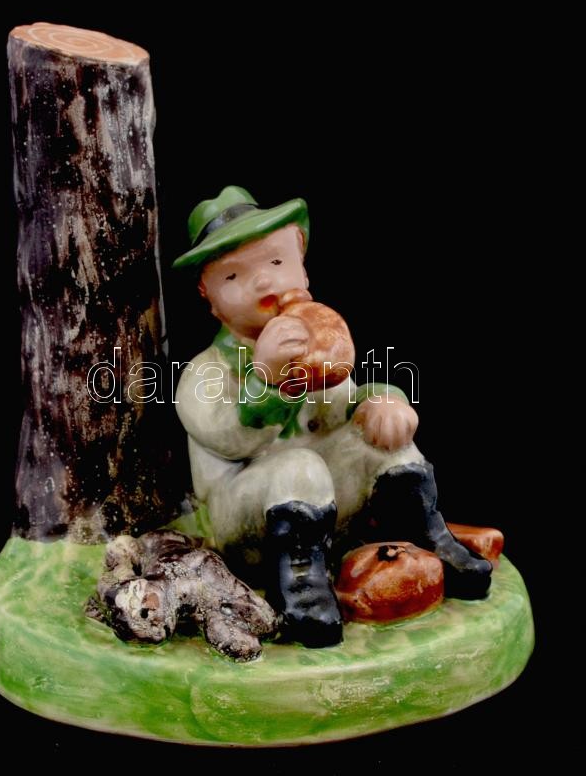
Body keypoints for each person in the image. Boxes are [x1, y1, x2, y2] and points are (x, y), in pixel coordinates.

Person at [173, 186, 491, 648]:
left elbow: (344, 405)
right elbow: (231, 438)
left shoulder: (319, 344)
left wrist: (381, 402)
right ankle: (300, 590)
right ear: (209, 296)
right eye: (235, 275)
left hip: (327, 508)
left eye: (277, 262)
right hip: (248, 524)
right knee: (298, 465)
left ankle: (425, 540)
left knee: (381, 441)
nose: (263, 283)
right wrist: (267, 377)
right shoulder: (205, 372)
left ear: (302, 265)